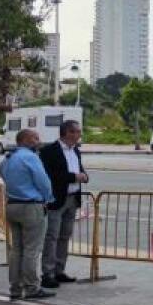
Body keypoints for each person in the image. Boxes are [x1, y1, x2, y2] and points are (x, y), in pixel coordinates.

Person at [0, 128, 55, 301]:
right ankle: (31, 287)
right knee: (32, 249)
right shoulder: (31, 157)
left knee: (17, 249)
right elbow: (43, 181)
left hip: (12, 205)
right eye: (34, 137)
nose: (38, 140)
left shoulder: (8, 158)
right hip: (31, 206)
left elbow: (2, 173)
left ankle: (15, 287)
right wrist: (47, 198)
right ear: (24, 140)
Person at [38, 119, 88, 289]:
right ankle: (47, 273)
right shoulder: (49, 151)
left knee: (64, 236)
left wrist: (84, 176)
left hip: (73, 198)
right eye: (77, 132)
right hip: (56, 199)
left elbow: (80, 169)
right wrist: (74, 177)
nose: (79, 135)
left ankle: (59, 270)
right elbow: (50, 175)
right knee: (51, 237)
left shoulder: (76, 151)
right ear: (67, 132)